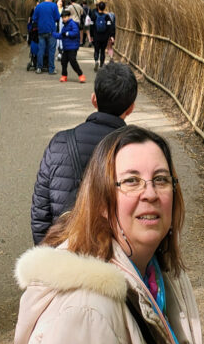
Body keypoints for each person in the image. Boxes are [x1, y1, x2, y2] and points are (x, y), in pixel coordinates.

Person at [17, 125, 204, 344]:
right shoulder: (86, 315)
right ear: (102, 201)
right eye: (131, 181)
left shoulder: (162, 274)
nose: (150, 193)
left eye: (161, 179)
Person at [30, 62, 138, 244]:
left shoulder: (60, 142)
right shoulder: (138, 150)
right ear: (131, 108)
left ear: (94, 99)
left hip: (66, 250)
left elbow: (40, 211)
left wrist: (47, 253)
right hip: (118, 256)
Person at [31, 0, 60, 75]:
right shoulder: (54, 6)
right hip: (51, 30)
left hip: (41, 31)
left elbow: (34, 18)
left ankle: (39, 68)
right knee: (51, 50)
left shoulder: (39, 6)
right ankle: (51, 69)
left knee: (41, 49)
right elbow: (57, 17)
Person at [59, 8, 85, 83]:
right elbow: (62, 35)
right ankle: (64, 76)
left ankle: (81, 75)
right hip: (66, 47)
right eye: (63, 17)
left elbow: (75, 33)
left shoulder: (72, 24)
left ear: (69, 17)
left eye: (65, 17)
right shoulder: (65, 26)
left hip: (73, 46)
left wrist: (67, 33)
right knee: (63, 61)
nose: (64, 19)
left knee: (72, 61)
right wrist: (54, 34)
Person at [92, 0, 115, 71]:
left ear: (98, 7)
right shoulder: (107, 16)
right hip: (104, 36)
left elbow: (91, 26)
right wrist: (111, 36)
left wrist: (91, 35)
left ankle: (96, 61)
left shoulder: (94, 15)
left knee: (96, 50)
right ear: (104, 8)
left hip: (96, 36)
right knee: (102, 51)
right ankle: (101, 64)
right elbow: (110, 27)